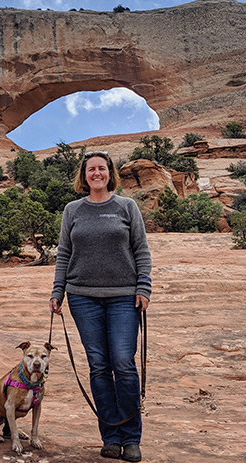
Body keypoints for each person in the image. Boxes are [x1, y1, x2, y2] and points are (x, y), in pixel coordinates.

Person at [49, 151, 151, 462]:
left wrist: (143, 287)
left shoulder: (126, 207)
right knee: (98, 366)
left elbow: (141, 249)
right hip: (83, 297)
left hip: (123, 295)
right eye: (91, 169)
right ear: (84, 175)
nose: (97, 173)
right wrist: (58, 290)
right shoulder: (72, 210)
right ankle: (111, 437)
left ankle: (131, 437)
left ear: (110, 173)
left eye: (102, 168)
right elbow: (64, 253)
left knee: (123, 362)